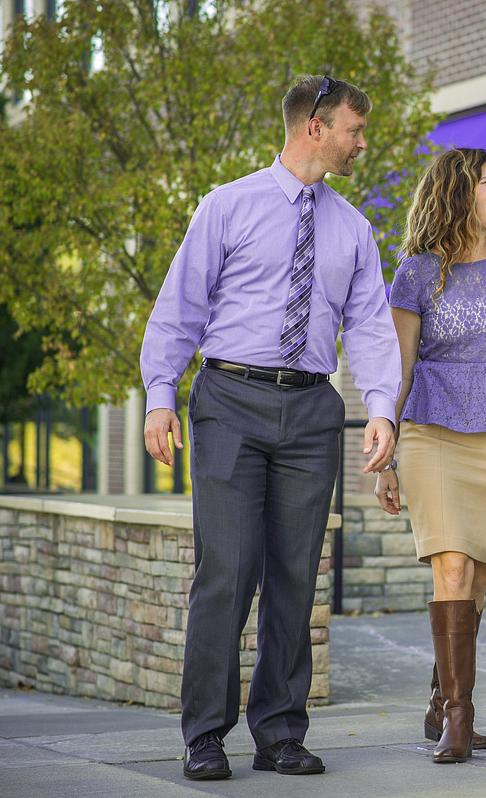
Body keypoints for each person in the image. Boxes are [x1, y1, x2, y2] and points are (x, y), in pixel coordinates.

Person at [140, 75, 401, 780]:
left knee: (295, 574)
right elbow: (179, 307)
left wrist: (381, 409)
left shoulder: (353, 228)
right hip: (229, 399)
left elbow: (372, 327)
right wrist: (160, 396)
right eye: (354, 128)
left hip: (313, 410)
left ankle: (281, 730)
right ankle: (204, 735)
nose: (362, 141)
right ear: (315, 127)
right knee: (225, 571)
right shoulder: (228, 206)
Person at [373, 147, 486, 764]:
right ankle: (460, 716)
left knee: (475, 580)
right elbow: (398, 366)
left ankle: (439, 696)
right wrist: (385, 445)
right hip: (433, 431)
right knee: (450, 568)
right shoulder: (417, 273)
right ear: (459, 194)